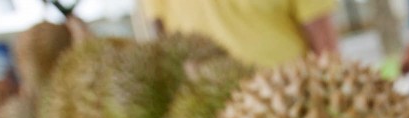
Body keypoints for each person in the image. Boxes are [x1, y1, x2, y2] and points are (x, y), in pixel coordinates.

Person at [140, 0, 339, 68]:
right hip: (206, 101)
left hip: (290, 94)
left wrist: (333, 87)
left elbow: (321, 31)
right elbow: (161, 35)